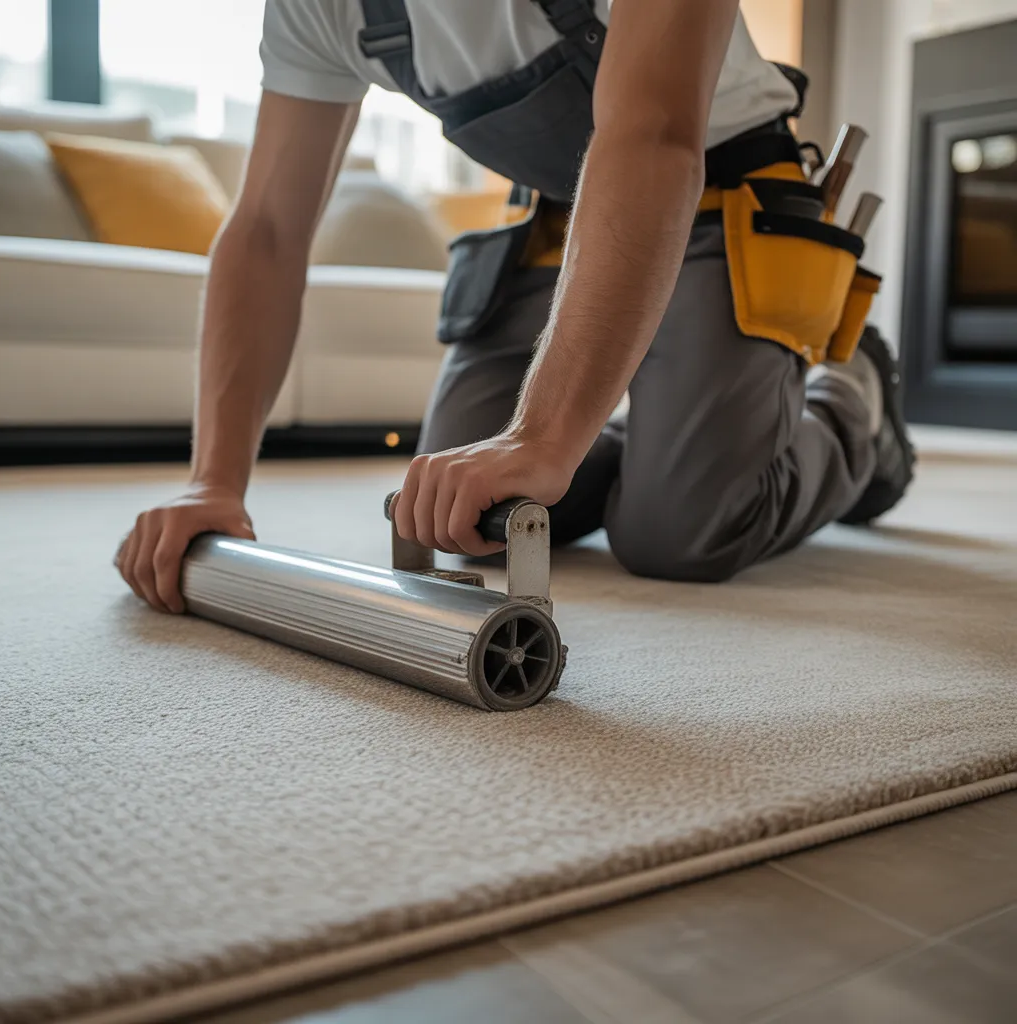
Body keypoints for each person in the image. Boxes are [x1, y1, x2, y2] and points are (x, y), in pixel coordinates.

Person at [116, 0, 915, 614]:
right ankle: (677, 424)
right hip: (565, 214)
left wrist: (542, 435)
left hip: (723, 187)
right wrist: (211, 483)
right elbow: (265, 229)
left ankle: (854, 397)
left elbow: (654, 135)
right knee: (460, 514)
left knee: (683, 532)